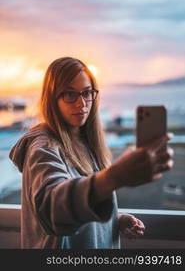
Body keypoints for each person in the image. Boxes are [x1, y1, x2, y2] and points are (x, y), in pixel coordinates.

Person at [9, 57, 174, 249]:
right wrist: (115, 176)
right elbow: (52, 207)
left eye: (87, 93)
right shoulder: (43, 147)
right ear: (52, 98)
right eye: (70, 94)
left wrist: (113, 220)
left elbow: (80, 205)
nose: (81, 104)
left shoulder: (85, 140)